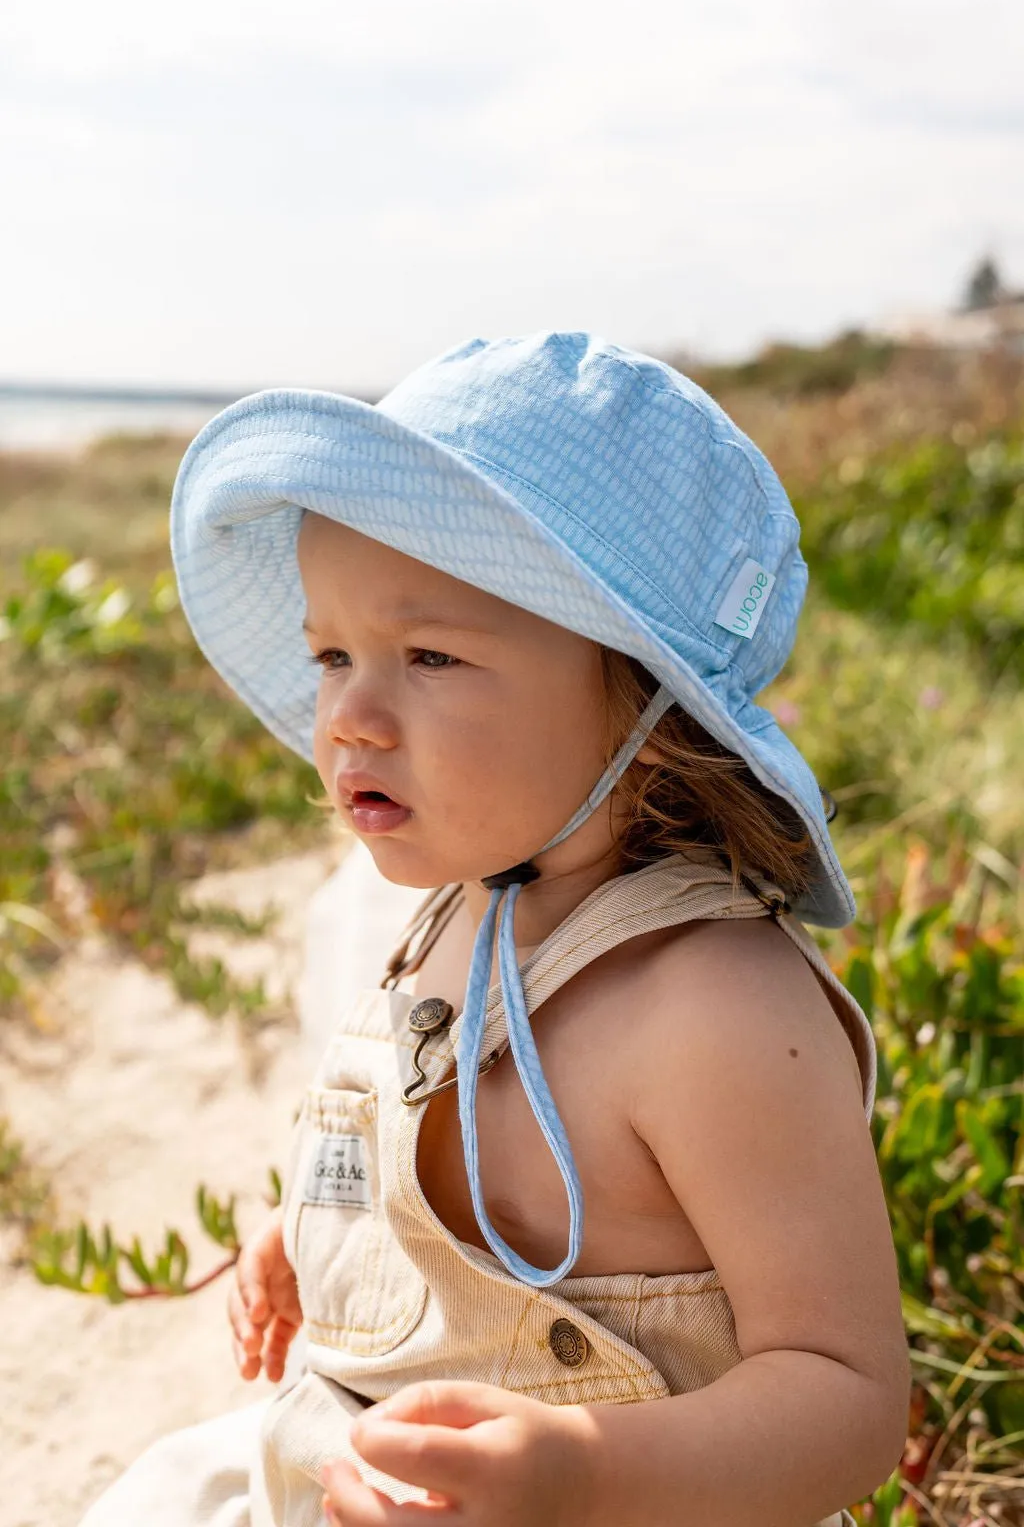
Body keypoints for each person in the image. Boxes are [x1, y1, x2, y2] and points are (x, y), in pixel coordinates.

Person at [81, 330, 909, 1527]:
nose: (351, 716)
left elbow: (846, 1397)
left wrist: (586, 1471)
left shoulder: (715, 1006)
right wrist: (312, 1227)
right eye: (330, 653)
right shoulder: (443, 914)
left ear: (641, 695)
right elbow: (403, 1146)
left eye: (429, 655)